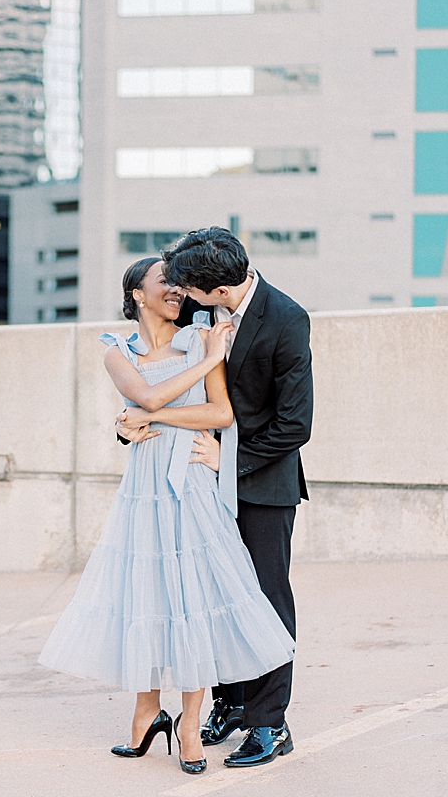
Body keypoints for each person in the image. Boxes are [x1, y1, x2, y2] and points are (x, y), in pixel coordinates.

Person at [38, 257, 296, 775]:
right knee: (147, 591)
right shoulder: (118, 351)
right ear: (137, 294)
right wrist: (204, 364)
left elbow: (220, 414)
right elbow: (148, 394)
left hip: (194, 477)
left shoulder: (200, 335)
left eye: (180, 285)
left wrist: (163, 402)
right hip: (144, 485)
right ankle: (146, 713)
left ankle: (192, 722)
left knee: (197, 592)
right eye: (166, 283)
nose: (178, 291)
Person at [122, 227, 312, 768]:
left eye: (188, 289)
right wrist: (130, 426)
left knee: (263, 599)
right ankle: (229, 703)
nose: (179, 297)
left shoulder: (286, 318)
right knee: (206, 596)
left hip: (261, 480)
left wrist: (229, 459)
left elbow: (295, 424)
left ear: (216, 289)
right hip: (192, 483)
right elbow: (162, 379)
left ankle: (270, 724)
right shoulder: (196, 314)